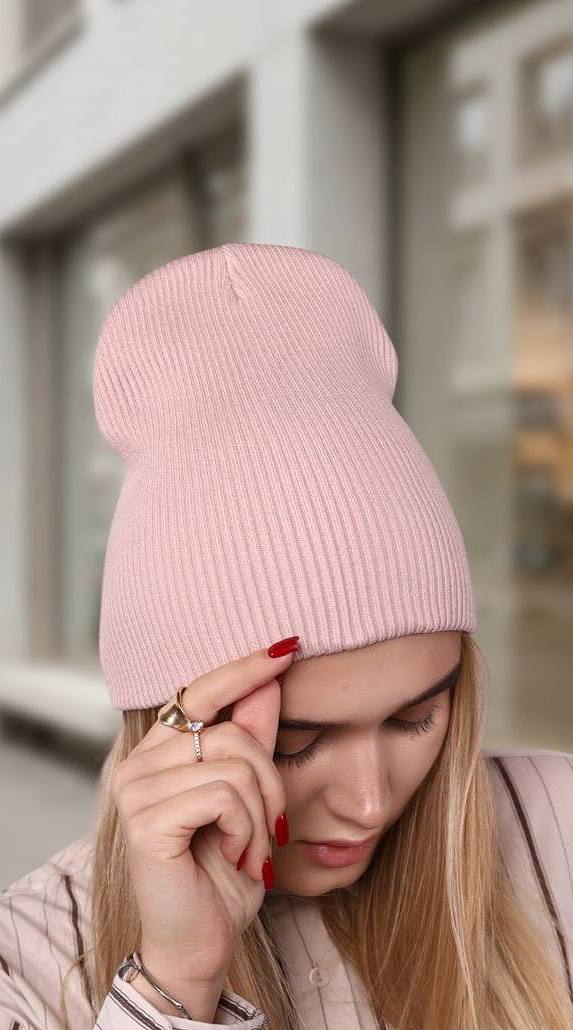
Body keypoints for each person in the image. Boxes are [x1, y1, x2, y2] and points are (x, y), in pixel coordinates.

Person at [1, 242, 572, 1029]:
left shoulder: (556, 831)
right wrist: (173, 984)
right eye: (295, 741)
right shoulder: (28, 959)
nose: (368, 802)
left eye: (415, 718)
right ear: (165, 720)